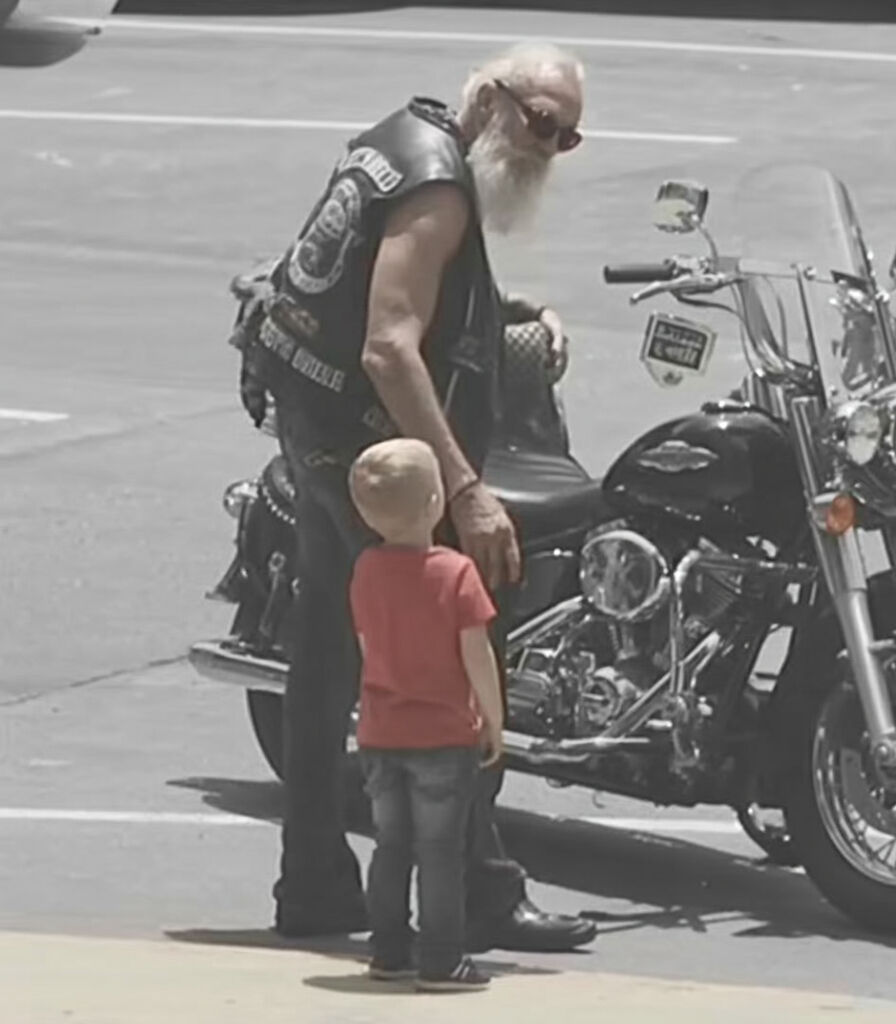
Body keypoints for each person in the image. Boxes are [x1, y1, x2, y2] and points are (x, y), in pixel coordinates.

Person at [238, 41, 596, 950]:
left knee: (322, 667)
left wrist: (510, 312)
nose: (545, 145)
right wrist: (467, 491)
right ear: (489, 95)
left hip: (314, 431)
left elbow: (367, 270)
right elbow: (391, 344)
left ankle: (311, 883)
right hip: (374, 460)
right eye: (537, 120)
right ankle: (476, 890)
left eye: (565, 136)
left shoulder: (397, 138)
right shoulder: (439, 187)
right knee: (444, 661)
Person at [349, 437, 504, 991]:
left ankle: (388, 950)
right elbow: (476, 655)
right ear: (436, 501)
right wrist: (493, 718)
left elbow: (370, 645)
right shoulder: (456, 573)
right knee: (440, 852)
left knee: (391, 846)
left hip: (381, 729)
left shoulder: (366, 569)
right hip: (441, 734)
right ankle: (443, 958)